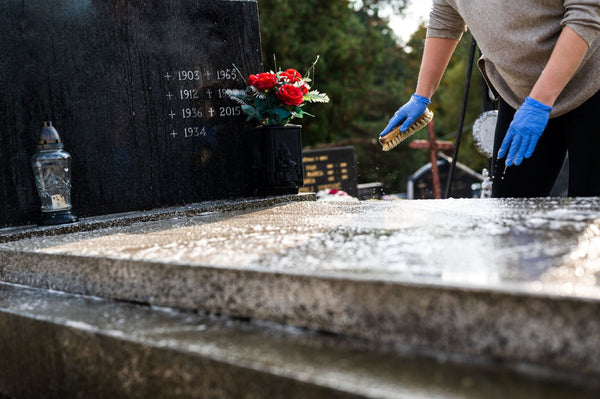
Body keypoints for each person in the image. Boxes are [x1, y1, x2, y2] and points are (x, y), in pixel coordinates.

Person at [380, 1, 600, 198]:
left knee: (592, 211)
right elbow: (445, 16)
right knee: (511, 214)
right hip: (519, 98)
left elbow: (586, 12)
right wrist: (421, 95)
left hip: (591, 85)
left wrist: (539, 102)